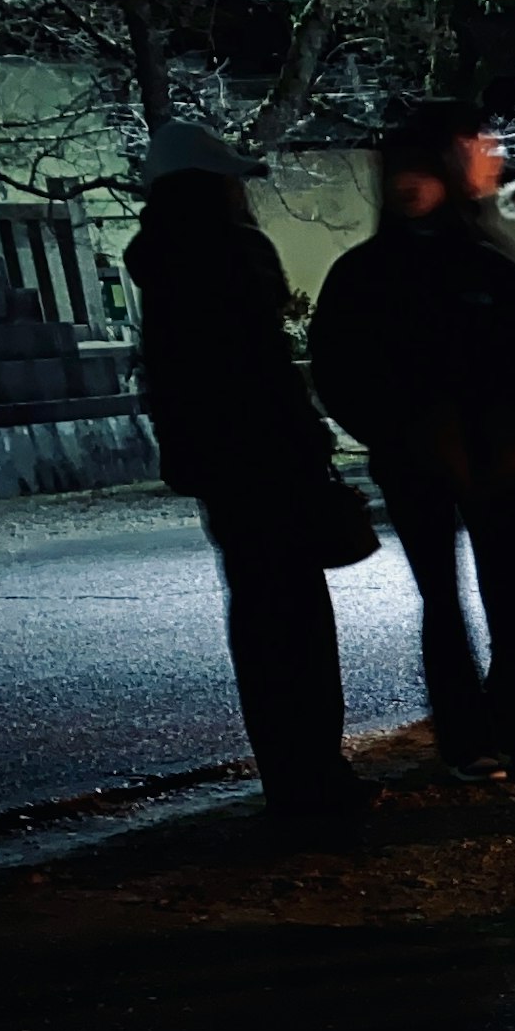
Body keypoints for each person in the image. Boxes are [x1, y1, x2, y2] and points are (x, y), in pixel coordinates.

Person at [307, 102, 515, 783]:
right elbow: (338, 370)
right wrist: (395, 432)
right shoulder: (364, 274)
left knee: (509, 598)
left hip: (497, 453)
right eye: (399, 172)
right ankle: (467, 736)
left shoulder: (485, 265)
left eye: (422, 171)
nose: (408, 185)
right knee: (443, 600)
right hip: (416, 456)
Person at [125, 119, 373, 819]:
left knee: (259, 618)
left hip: (218, 464)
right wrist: (310, 438)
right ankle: (318, 772)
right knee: (298, 620)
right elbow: (264, 366)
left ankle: (288, 774)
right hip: (272, 456)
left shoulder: (158, 260)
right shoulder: (235, 254)